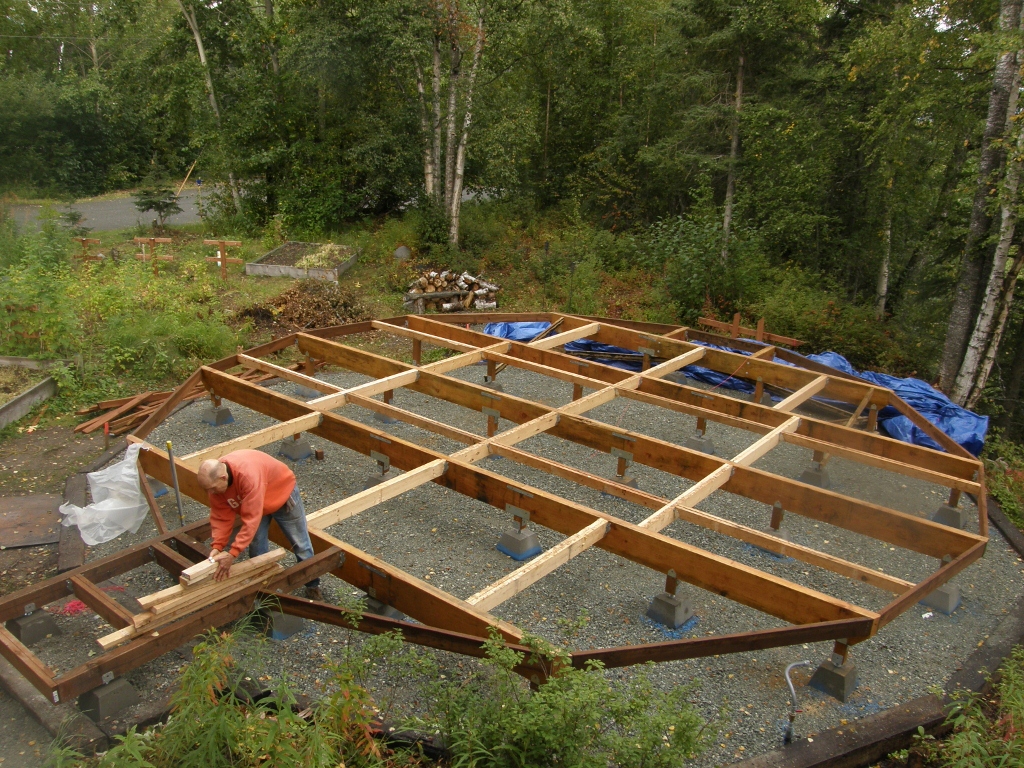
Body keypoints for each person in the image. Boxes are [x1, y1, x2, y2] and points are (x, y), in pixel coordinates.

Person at [196, 450, 323, 601]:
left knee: (300, 543)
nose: (210, 493)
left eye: (212, 489)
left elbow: (251, 519)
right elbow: (220, 517)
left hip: (281, 493)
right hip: (256, 502)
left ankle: (312, 585)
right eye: (207, 490)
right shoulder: (216, 485)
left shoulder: (247, 476)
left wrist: (233, 553)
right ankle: (264, 590)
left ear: (223, 478)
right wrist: (217, 546)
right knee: (257, 548)